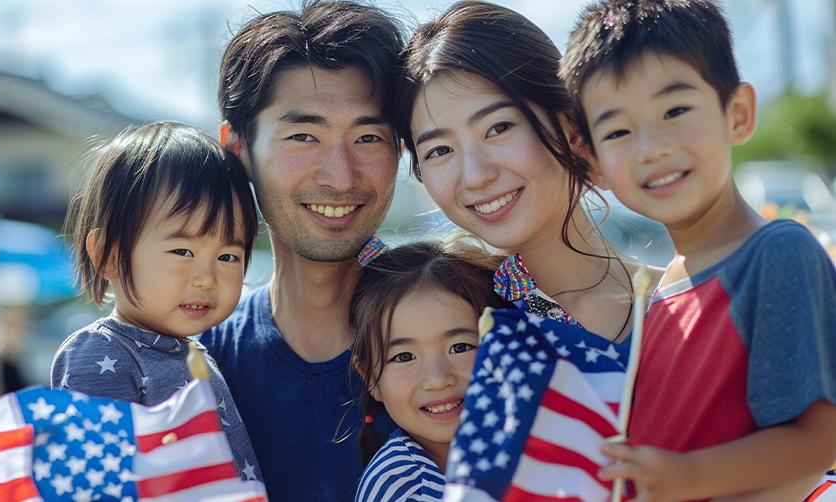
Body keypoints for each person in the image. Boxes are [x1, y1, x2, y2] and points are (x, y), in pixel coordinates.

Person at [560, 0, 836, 499]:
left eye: (676, 110)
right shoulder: (665, 287)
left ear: (738, 113)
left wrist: (688, 478)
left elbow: (820, 440)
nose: (652, 147)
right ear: (594, 164)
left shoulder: (775, 254)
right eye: (618, 131)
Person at [390, 1, 663, 499]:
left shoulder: (687, 298)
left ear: (570, 121)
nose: (475, 174)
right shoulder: (462, 337)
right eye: (439, 151)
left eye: (499, 127)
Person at [199, 2, 404, 500]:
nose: (340, 176)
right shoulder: (196, 362)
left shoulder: (460, 331)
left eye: (368, 136)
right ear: (237, 148)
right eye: (303, 136)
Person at [52, 121, 263, 482]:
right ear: (110, 255)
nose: (206, 278)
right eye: (183, 250)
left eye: (228, 256)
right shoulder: (97, 352)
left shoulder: (191, 349)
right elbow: (98, 479)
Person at [350, 240, 507, 502]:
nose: (437, 380)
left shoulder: (547, 439)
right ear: (369, 377)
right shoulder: (399, 485)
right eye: (404, 357)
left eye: (460, 347)